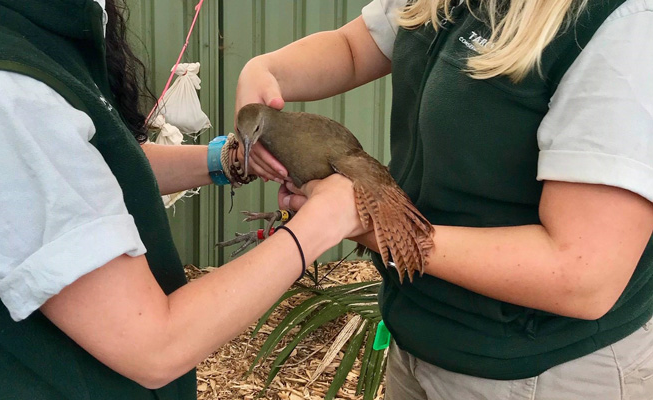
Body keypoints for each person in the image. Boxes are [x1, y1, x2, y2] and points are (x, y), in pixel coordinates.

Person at [0, 0, 368, 398]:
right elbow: (153, 344)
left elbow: (86, 164)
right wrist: (321, 223)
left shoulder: (46, 21)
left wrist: (227, 160)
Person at [236, 0, 653, 398]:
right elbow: (354, 47)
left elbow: (581, 276)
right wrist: (266, 71)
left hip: (535, 369)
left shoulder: (624, 27)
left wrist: (374, 227)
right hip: (421, 337)